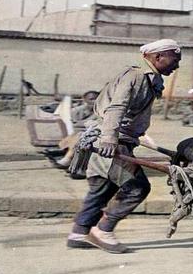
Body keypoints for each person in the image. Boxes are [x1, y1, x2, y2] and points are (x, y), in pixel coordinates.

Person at [67, 38, 181, 253]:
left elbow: (131, 113)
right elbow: (117, 107)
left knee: (102, 188)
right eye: (175, 60)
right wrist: (110, 140)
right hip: (110, 140)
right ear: (158, 57)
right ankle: (103, 230)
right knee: (137, 188)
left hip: (116, 138)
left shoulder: (148, 77)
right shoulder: (137, 76)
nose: (177, 65)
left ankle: (78, 233)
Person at [53, 90, 99, 170]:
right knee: (79, 136)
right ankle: (69, 159)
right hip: (78, 133)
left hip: (91, 133)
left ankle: (68, 159)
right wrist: (90, 123)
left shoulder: (101, 111)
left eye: (96, 99)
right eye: (91, 99)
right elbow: (76, 125)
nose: (94, 101)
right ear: (85, 100)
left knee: (81, 137)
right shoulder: (76, 111)